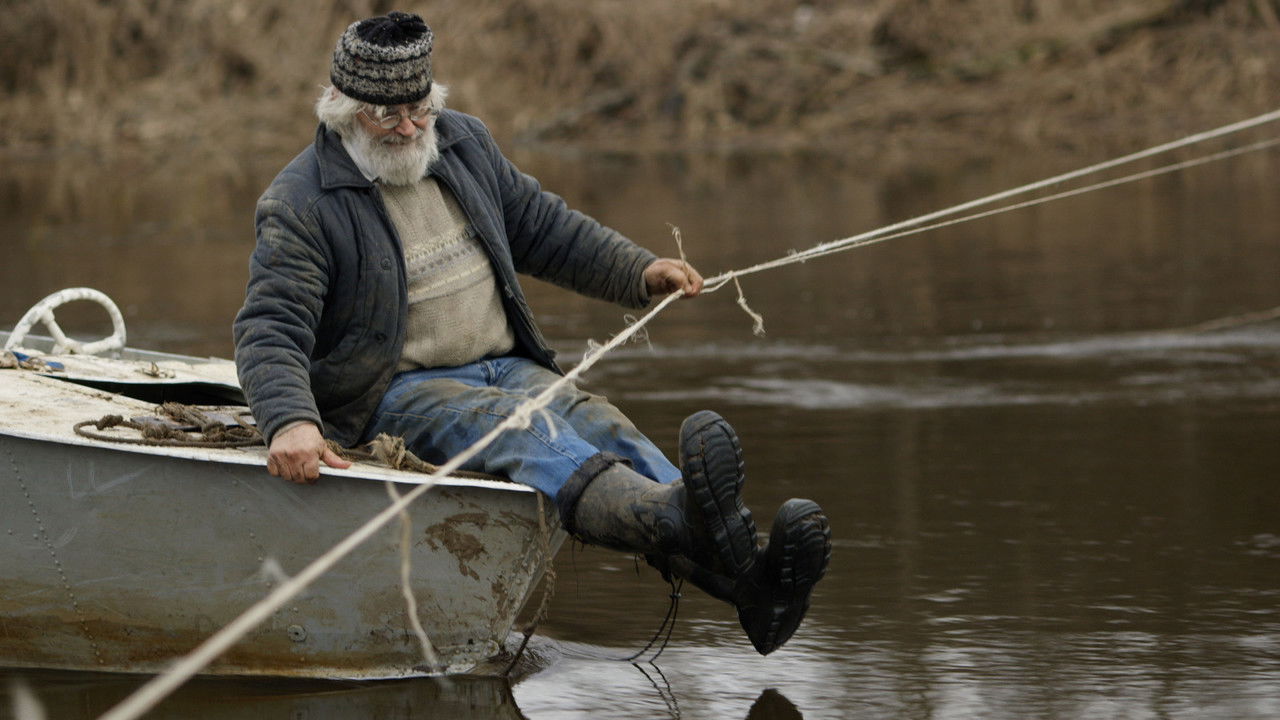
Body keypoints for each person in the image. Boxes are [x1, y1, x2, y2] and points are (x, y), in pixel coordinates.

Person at [233, 10, 830, 656]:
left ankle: (756, 586)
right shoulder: (301, 202)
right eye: (387, 114)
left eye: (419, 107)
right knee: (520, 427)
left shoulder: (463, 144)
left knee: (598, 421)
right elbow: (270, 327)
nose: (407, 127)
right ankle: (681, 522)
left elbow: (544, 228)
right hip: (395, 393)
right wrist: (290, 421)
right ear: (344, 110)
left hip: (503, 363)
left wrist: (639, 269)